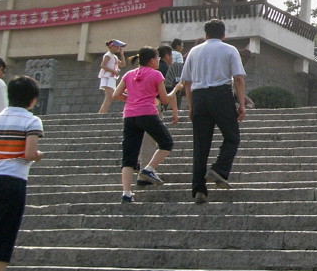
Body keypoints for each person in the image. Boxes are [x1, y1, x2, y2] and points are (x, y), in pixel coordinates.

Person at [180, 19, 246, 204]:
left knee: (200, 146)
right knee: (232, 137)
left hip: (199, 96)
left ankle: (199, 191)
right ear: (223, 35)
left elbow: (187, 82)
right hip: (221, 95)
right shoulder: (229, 50)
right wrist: (241, 104)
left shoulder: (194, 51)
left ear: (206, 34)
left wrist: (191, 106)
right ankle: (219, 169)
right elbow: (238, 79)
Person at [0, 75, 44, 271]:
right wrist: (38, 156)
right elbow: (30, 152)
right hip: (13, 181)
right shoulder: (32, 121)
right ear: (33, 100)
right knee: (3, 236)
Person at [113, 47, 177, 202]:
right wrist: (176, 89)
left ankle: (126, 193)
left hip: (129, 116)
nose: (158, 61)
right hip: (147, 114)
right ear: (152, 60)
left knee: (129, 157)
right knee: (167, 142)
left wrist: (131, 98)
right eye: (157, 58)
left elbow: (116, 95)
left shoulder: (129, 74)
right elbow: (165, 99)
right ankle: (149, 169)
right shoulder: (156, 74)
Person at [97, 39, 126, 113]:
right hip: (107, 77)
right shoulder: (108, 55)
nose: (118, 48)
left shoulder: (114, 56)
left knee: (110, 97)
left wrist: (122, 54)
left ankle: (101, 112)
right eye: (116, 46)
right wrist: (114, 71)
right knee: (109, 96)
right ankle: (102, 114)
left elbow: (122, 64)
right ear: (111, 46)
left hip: (111, 78)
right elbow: (103, 65)